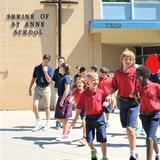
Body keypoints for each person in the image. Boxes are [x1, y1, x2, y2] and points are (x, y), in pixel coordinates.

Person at [71, 72, 109, 160]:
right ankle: (93, 150)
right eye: (93, 80)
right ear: (87, 83)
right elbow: (79, 107)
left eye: (97, 80)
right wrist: (75, 119)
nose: (96, 82)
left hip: (100, 118)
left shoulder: (101, 92)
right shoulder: (84, 94)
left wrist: (107, 103)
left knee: (103, 138)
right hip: (89, 119)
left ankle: (104, 156)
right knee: (89, 139)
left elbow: (107, 100)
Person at [111, 48, 139, 160]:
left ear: (132, 61)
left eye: (130, 59)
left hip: (133, 103)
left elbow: (139, 89)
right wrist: (110, 95)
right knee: (127, 128)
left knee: (130, 128)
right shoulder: (117, 73)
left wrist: (136, 94)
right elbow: (114, 87)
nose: (128, 61)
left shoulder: (136, 72)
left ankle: (132, 153)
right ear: (122, 59)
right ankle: (134, 148)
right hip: (122, 101)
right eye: (126, 59)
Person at [131, 65, 160, 160]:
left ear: (145, 76)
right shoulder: (138, 87)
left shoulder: (155, 86)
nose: (136, 78)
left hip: (154, 115)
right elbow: (139, 101)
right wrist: (135, 97)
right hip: (144, 116)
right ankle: (158, 154)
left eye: (138, 75)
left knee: (149, 139)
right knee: (151, 137)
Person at [28, 54, 54, 132]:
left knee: (47, 107)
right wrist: (30, 88)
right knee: (35, 106)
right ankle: (38, 123)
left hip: (46, 89)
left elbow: (50, 80)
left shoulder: (50, 69)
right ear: (42, 59)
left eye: (47, 62)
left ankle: (48, 123)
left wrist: (45, 72)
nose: (46, 63)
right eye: (45, 61)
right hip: (38, 88)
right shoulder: (37, 68)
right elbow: (33, 78)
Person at [55, 63, 72, 140]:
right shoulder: (62, 77)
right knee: (59, 117)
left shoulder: (67, 77)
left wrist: (62, 100)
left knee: (64, 117)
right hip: (61, 97)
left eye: (60, 67)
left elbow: (67, 90)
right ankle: (67, 128)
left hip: (64, 98)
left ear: (63, 68)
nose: (59, 68)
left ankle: (64, 134)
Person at [71, 77, 86, 145]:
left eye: (80, 82)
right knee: (84, 122)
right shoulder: (76, 91)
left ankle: (85, 137)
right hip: (80, 109)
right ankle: (85, 138)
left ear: (83, 84)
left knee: (84, 122)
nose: (78, 84)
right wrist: (71, 100)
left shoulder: (86, 91)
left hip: (88, 108)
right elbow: (72, 97)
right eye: (77, 83)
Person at [52, 56, 65, 129]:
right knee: (57, 106)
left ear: (64, 62)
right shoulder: (56, 71)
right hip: (57, 90)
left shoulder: (66, 70)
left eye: (62, 61)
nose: (60, 62)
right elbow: (53, 80)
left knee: (64, 107)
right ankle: (58, 122)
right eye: (59, 61)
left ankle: (64, 122)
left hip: (65, 91)